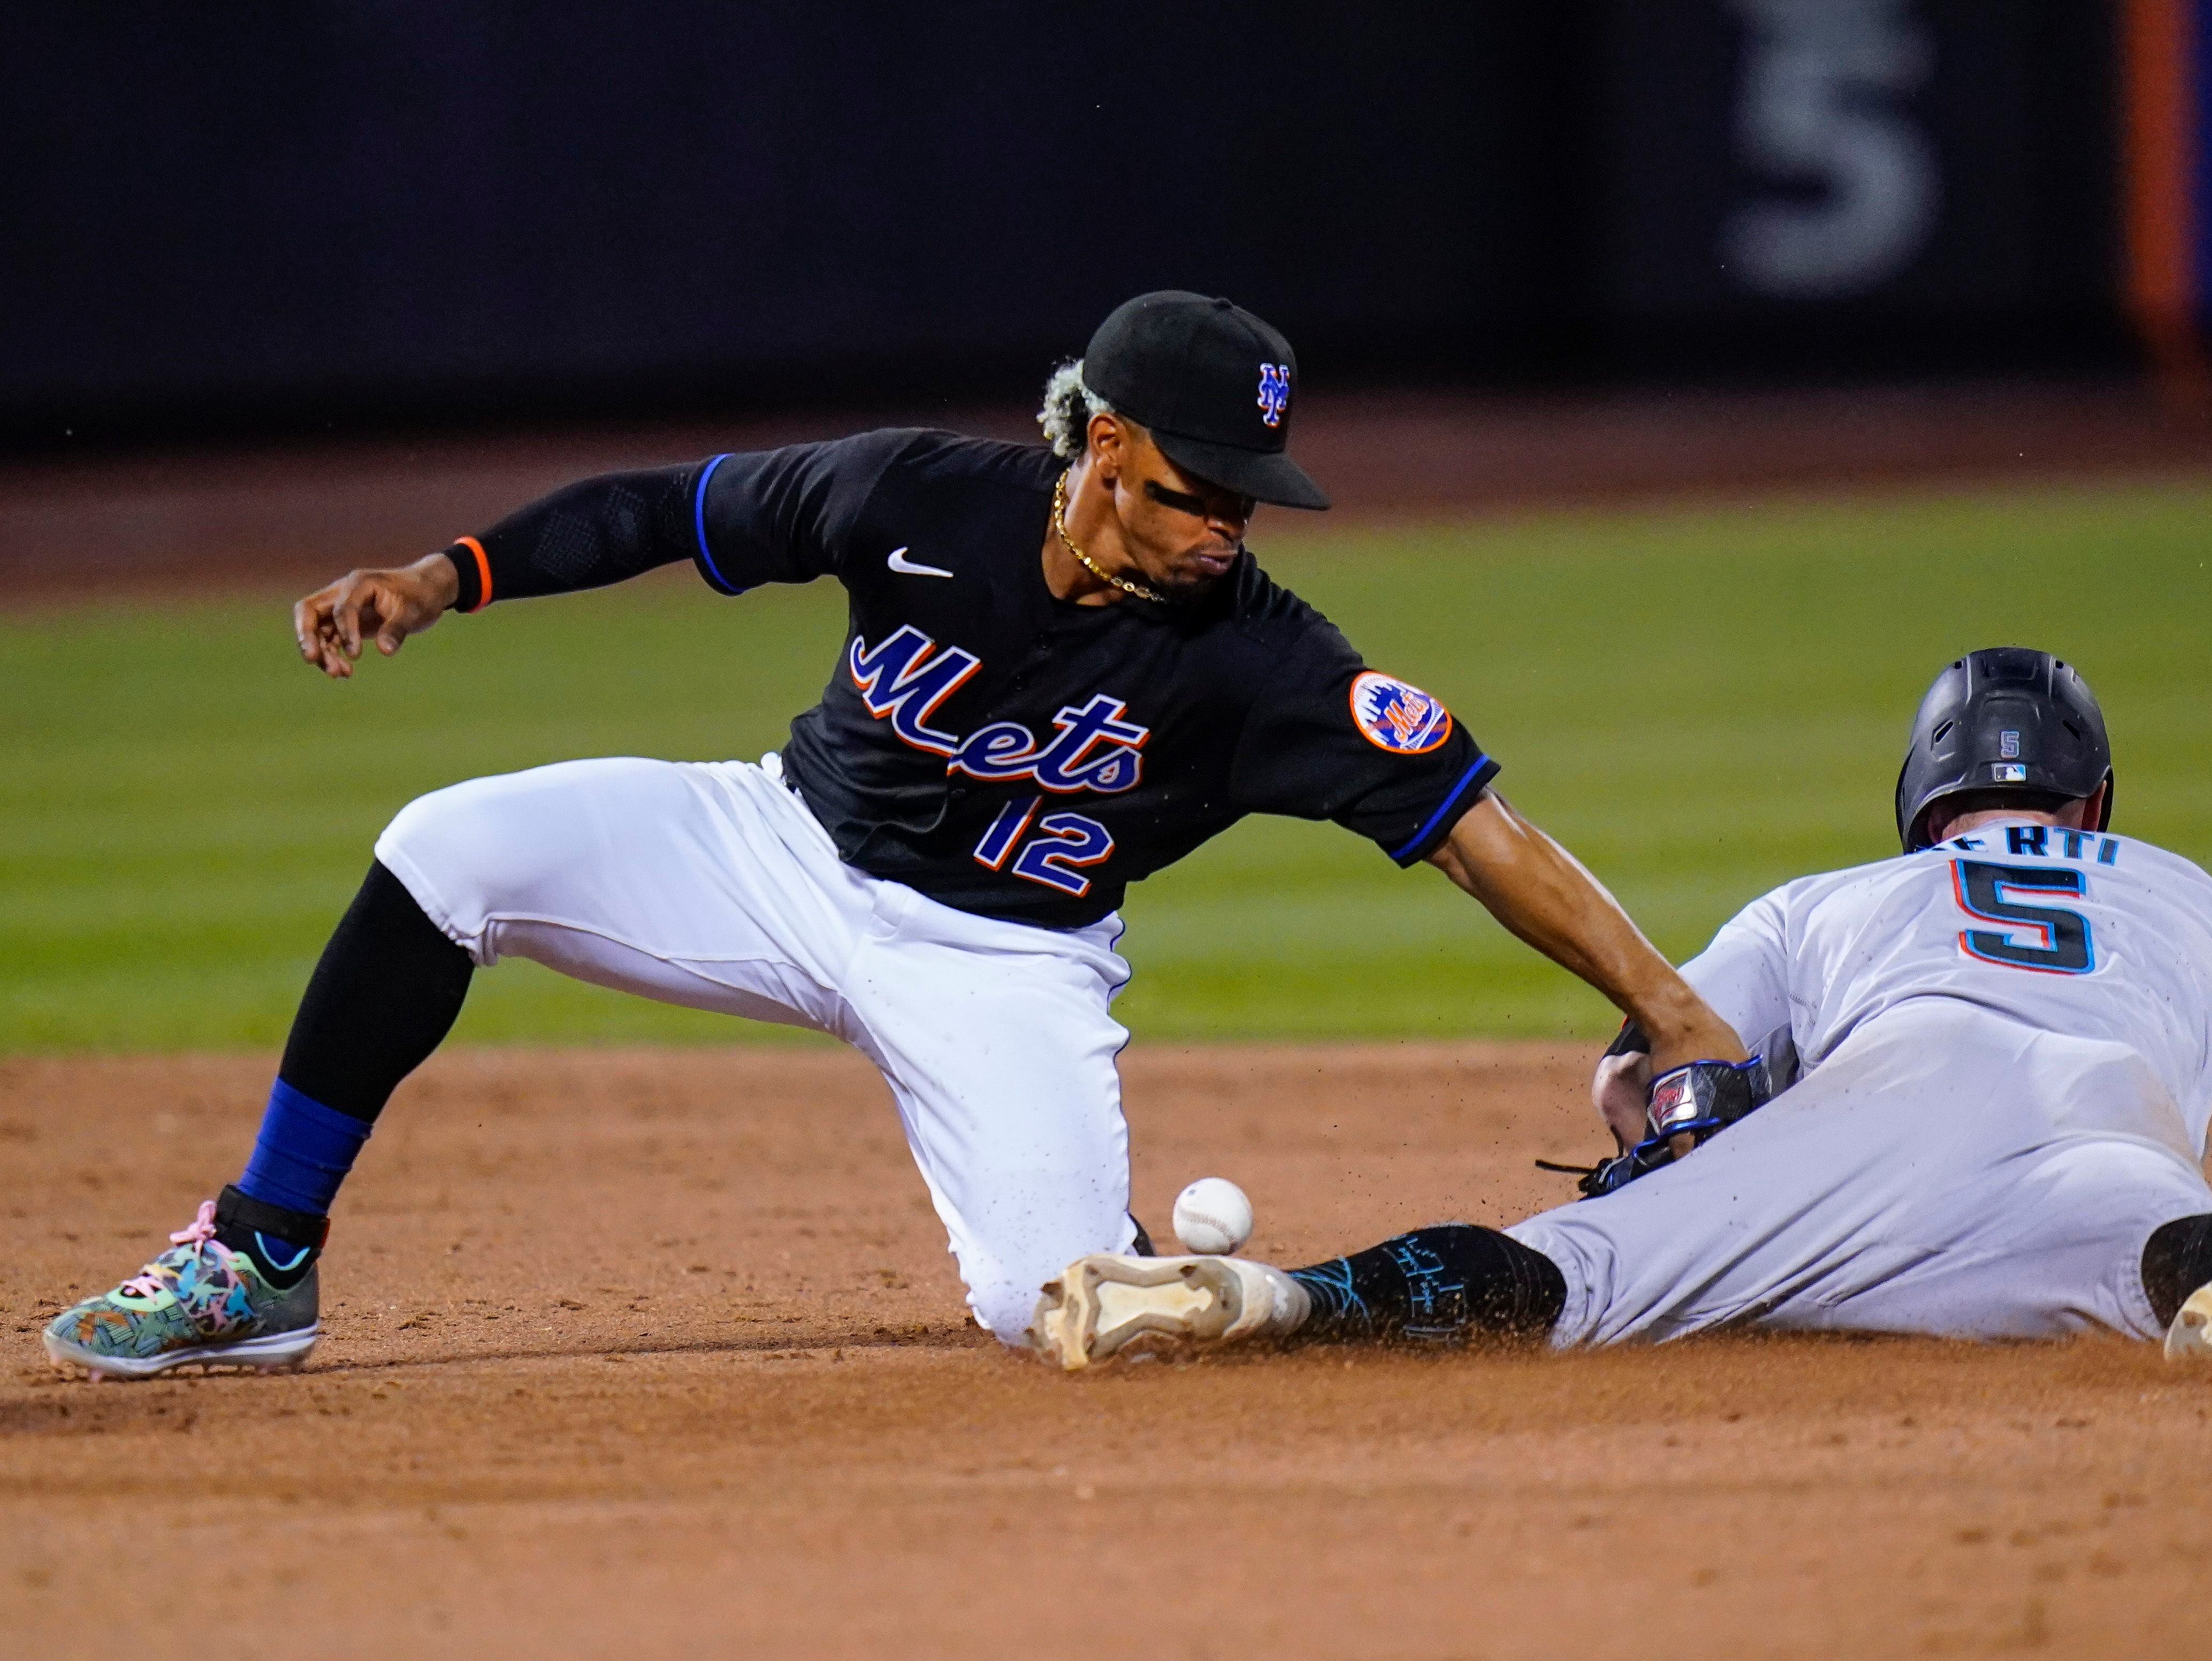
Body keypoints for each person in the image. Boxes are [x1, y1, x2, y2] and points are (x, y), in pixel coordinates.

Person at [43, 291, 1745, 1380]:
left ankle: (1162, 1260)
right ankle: (261, 1256)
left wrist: (1671, 1010)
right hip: (774, 851)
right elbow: (663, 505)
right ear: (1099, 445)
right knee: (446, 846)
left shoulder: (1263, 653)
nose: (1221, 530)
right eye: (1190, 489)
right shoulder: (917, 494)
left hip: (1005, 966)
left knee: (1059, 1311)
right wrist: (438, 577)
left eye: (1246, 500)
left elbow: (1471, 824)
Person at [1030, 647, 2212, 1371]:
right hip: (2094, 1138)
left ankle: (1269, 1300)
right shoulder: (2188, 893)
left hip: (1881, 1097)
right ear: (2093, 802)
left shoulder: (1826, 900)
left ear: (1918, 800)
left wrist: (1683, 1151)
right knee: (2164, 1248)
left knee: (1573, 1270)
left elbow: (1651, 1065)